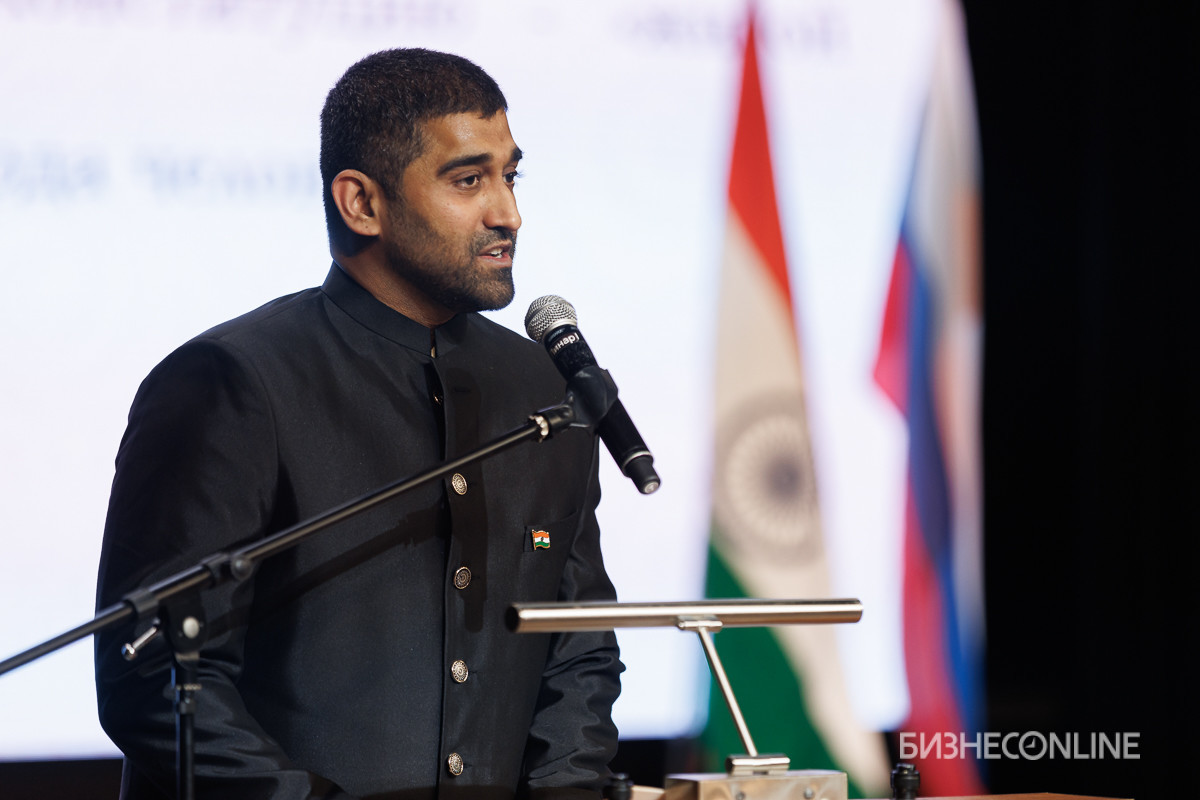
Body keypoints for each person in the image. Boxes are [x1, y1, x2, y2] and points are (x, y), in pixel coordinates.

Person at [94, 48, 623, 800]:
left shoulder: (544, 388)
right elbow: (152, 678)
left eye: (510, 176)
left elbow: (576, 651)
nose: (508, 212)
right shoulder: (230, 383)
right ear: (361, 204)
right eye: (468, 180)